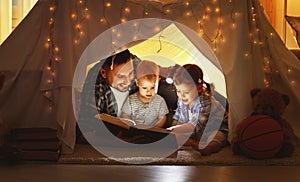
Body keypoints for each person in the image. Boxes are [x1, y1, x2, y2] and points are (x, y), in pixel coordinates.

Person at [77, 49, 140, 142]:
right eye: (121, 76)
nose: (128, 81)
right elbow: (84, 132)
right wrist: (117, 141)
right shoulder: (95, 84)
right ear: (103, 73)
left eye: (130, 73)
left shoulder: (135, 63)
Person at [167, 64, 229, 155]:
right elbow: (177, 119)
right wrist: (170, 131)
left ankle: (209, 147)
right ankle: (194, 143)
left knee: (217, 137)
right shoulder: (182, 100)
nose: (181, 95)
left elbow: (194, 125)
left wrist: (173, 129)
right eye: (178, 91)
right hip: (199, 132)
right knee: (175, 136)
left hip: (215, 128)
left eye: (186, 92)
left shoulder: (205, 102)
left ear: (199, 88)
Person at [121, 60, 168, 128]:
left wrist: (154, 129)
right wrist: (131, 125)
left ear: (158, 81)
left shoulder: (160, 101)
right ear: (137, 83)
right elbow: (125, 115)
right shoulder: (130, 100)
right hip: (134, 130)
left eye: (152, 87)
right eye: (144, 88)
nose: (149, 92)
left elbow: (162, 118)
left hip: (153, 132)